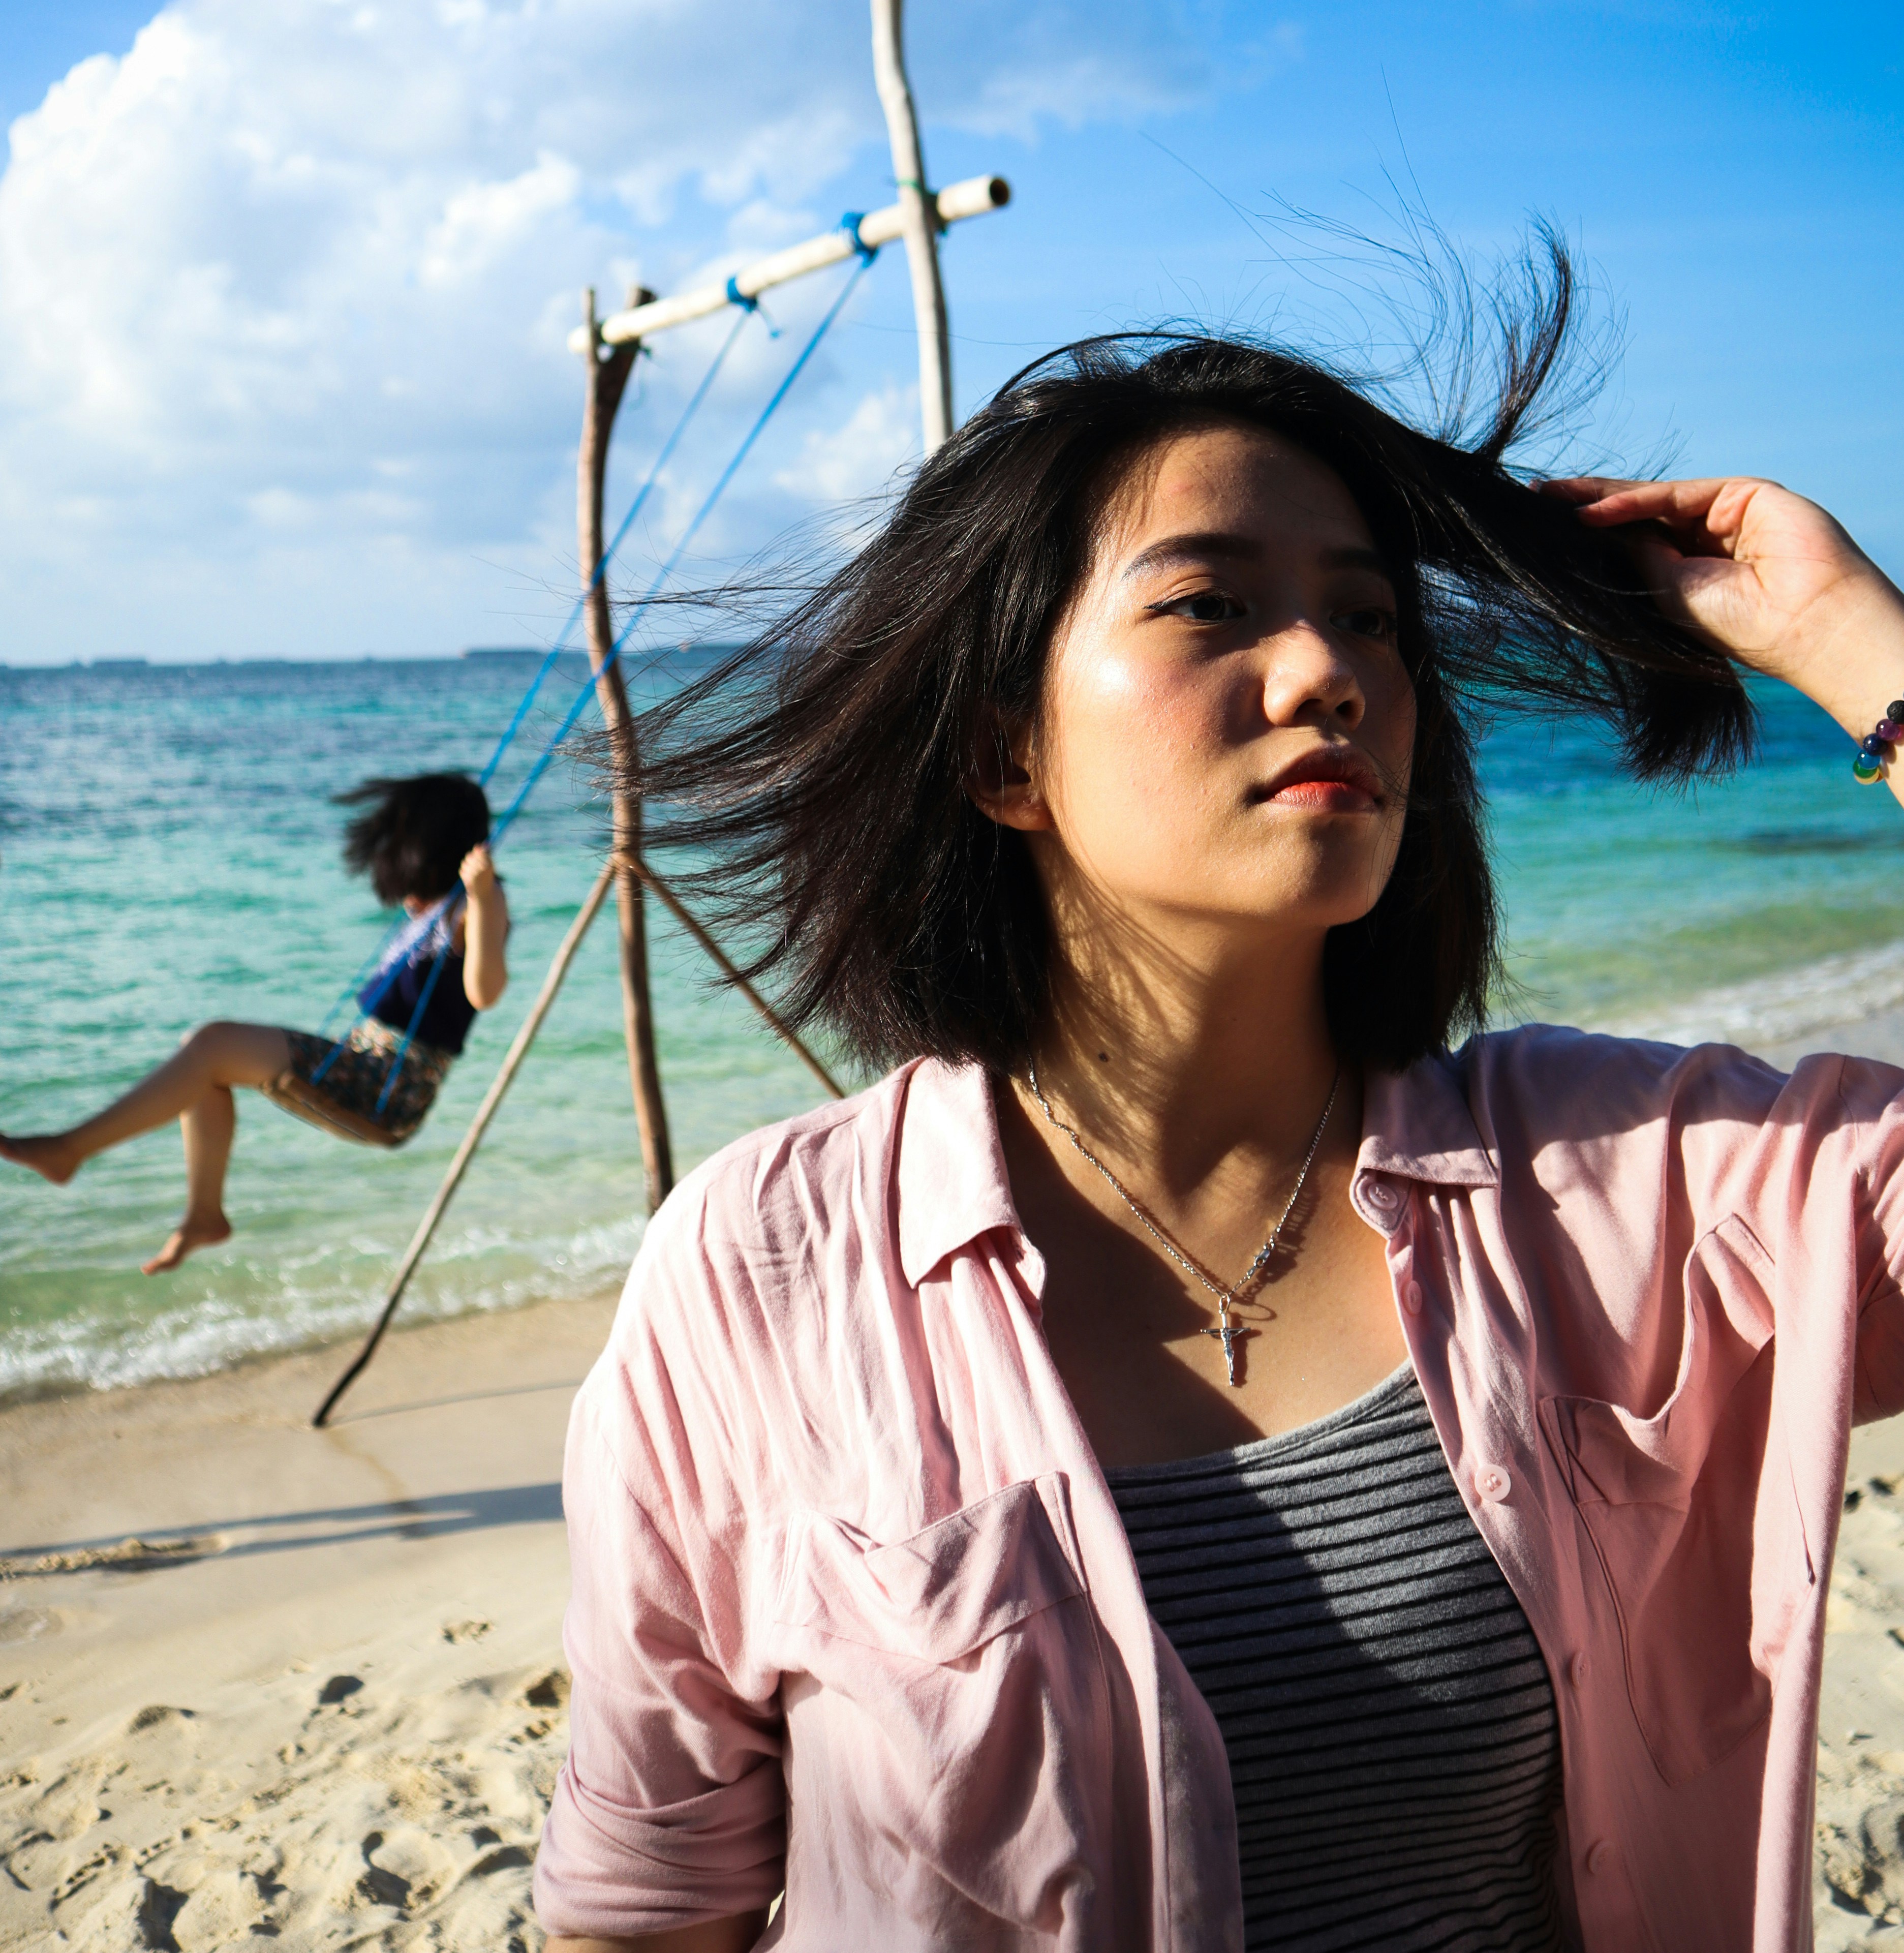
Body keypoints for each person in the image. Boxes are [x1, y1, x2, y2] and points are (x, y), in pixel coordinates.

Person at [532, 276, 1904, 1953]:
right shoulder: (761, 1269)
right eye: (1208, 606)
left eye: (1373, 617)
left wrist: (1855, 648)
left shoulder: (1627, 1184)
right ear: (999, 753)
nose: (1328, 666)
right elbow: (648, 1905)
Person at [2, 771, 508, 1274]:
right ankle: (203, 1214)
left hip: (388, 1088)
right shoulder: (436, 908)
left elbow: (484, 992)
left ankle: (69, 1149)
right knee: (201, 1057)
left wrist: (482, 896)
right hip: (361, 1065)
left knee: (212, 1045)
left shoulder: (477, 903)